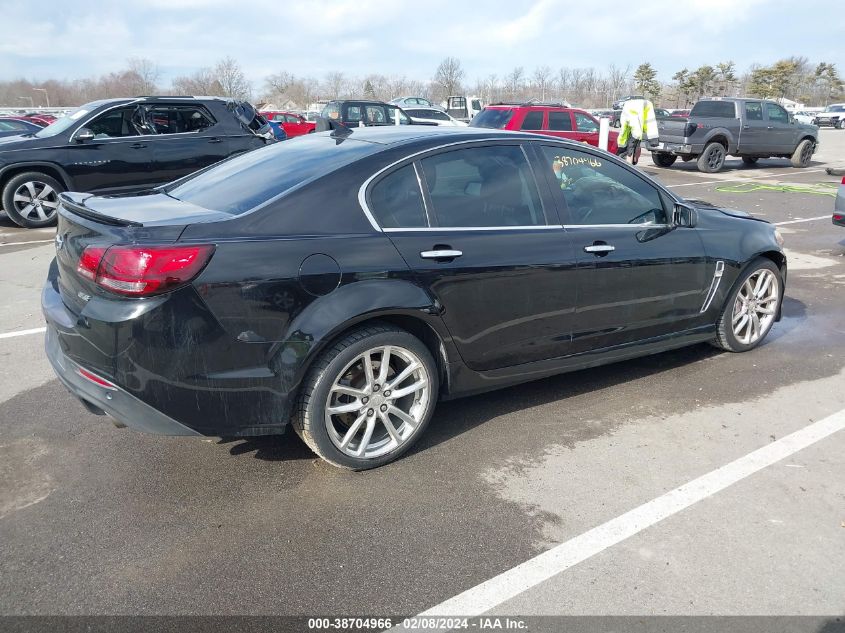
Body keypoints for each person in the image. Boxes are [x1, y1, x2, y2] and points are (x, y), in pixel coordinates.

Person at [617, 98, 658, 165]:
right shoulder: (645, 107)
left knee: (630, 149)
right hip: (632, 138)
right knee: (631, 149)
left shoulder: (628, 108)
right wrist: (653, 140)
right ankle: (630, 164)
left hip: (629, 140)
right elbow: (650, 124)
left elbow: (624, 130)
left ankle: (630, 163)